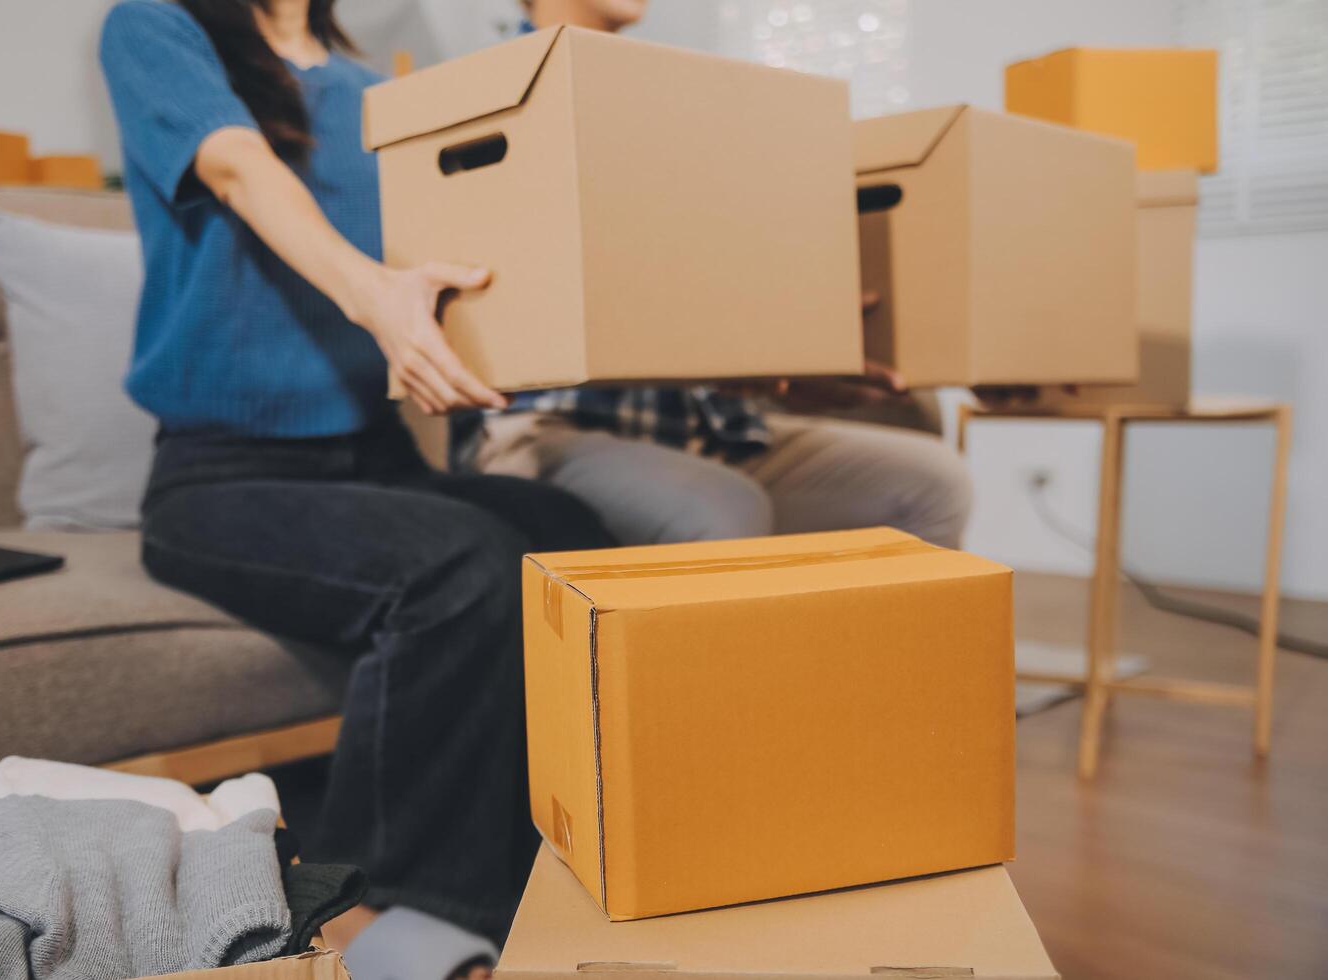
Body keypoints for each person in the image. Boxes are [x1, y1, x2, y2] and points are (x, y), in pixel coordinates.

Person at [98, 2, 615, 977]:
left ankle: (542, 860)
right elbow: (236, 168)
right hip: (219, 473)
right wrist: (371, 294)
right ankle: (359, 913)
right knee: (461, 565)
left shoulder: (378, 92)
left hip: (374, 456)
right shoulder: (154, 28)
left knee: (572, 529)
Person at [463, 0, 974, 551]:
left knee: (934, 483)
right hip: (554, 427)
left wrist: (795, 339)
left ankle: (852, 636)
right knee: (721, 506)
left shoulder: (679, 100)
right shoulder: (493, 95)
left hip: (713, 426)